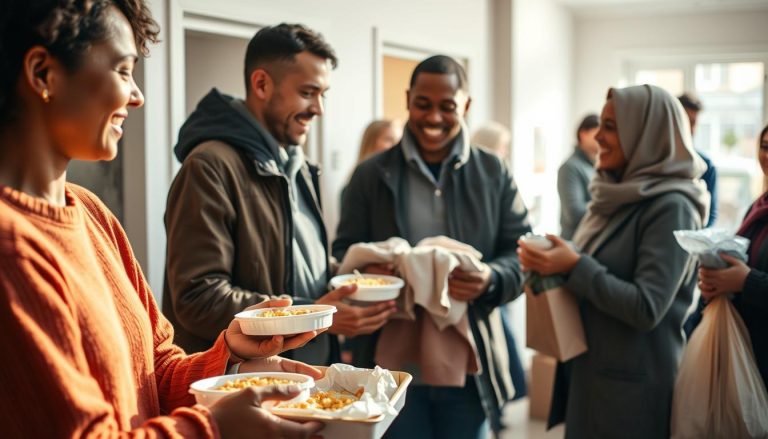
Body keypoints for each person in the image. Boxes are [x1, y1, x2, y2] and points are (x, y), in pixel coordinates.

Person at [0, 2, 324, 437]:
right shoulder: (12, 246)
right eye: (122, 70)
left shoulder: (92, 212)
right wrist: (214, 426)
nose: (137, 96)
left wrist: (226, 353)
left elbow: (157, 371)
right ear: (43, 74)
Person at [162, 24, 397, 365]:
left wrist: (350, 279)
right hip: (245, 386)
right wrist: (318, 314)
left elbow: (293, 267)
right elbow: (199, 298)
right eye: (307, 92)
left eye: (323, 94)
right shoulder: (209, 166)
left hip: (306, 376)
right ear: (261, 84)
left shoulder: (298, 165)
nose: (319, 108)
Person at [333, 55, 532, 438]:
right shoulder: (370, 175)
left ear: (467, 106)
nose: (434, 118)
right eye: (423, 104)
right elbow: (343, 254)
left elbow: (521, 254)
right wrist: (368, 275)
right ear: (408, 99)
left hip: (470, 365)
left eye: (448, 107)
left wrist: (491, 278)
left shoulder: (494, 173)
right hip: (388, 366)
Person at [518, 85, 709, 439]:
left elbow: (646, 307)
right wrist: (552, 259)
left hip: (631, 392)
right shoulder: (611, 191)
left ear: (647, 133)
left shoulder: (672, 206)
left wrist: (572, 265)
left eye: (611, 127)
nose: (598, 137)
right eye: (600, 125)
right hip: (592, 376)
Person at [698, 123, 768, 390]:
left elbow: (748, 276)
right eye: (764, 147)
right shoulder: (758, 206)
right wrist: (717, 279)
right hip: (748, 353)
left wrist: (745, 281)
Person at [470, 122, 527, 403]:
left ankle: (505, 392)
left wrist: (494, 276)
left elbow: (517, 245)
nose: (504, 153)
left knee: (500, 336)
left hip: (488, 280)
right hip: (477, 284)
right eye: (501, 147)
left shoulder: (498, 174)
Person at [557, 114, 599, 240]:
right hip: (575, 245)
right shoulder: (570, 167)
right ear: (583, 134)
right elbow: (574, 214)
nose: (603, 138)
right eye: (597, 133)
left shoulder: (595, 166)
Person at [679, 92, 717, 227]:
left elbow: (711, 215)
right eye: (685, 122)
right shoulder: (656, 161)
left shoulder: (706, 165)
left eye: (694, 123)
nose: (690, 129)